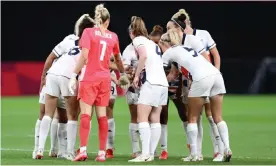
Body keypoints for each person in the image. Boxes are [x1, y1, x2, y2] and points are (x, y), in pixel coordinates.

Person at [159, 29, 232, 162]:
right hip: (216, 75)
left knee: (192, 117)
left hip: (201, 78)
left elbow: (161, 72)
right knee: (217, 117)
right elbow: (173, 75)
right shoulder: (186, 47)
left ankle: (195, 154)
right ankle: (226, 149)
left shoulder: (168, 53)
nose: (161, 50)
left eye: (160, 46)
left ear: (165, 43)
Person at [68, 4, 129, 162]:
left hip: (89, 78)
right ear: (107, 21)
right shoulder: (113, 36)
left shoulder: (88, 32)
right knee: (102, 116)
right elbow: (117, 59)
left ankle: (83, 150)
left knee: (86, 115)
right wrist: (122, 73)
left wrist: (74, 75)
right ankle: (102, 153)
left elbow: (84, 56)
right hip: (105, 79)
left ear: (96, 19)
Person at [35, 14, 95, 160]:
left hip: (53, 73)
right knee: (72, 116)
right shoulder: (91, 44)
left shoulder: (69, 39)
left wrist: (43, 77)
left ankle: (39, 150)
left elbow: (51, 57)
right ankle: (68, 152)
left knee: (48, 114)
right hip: (69, 76)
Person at [169, 9, 224, 160]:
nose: (170, 31)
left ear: (181, 23)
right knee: (194, 117)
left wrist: (215, 73)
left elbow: (215, 55)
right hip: (189, 82)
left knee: (211, 116)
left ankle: (218, 150)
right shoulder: (179, 41)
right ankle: (196, 152)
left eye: (171, 27)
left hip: (205, 79)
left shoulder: (202, 35)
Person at [127, 16, 168, 163]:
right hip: (163, 83)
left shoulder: (138, 40)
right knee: (155, 119)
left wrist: (137, 76)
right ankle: (150, 153)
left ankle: (144, 154)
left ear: (132, 31)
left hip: (151, 82)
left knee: (142, 117)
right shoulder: (152, 43)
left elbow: (143, 56)